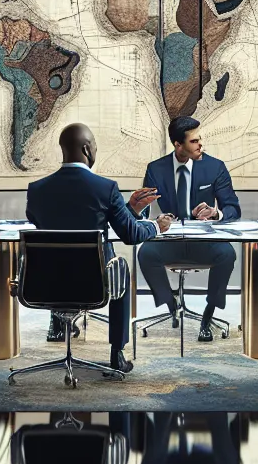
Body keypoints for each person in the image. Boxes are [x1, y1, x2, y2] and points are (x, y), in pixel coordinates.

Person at [25, 123, 174, 372]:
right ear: (86, 149)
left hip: (45, 284)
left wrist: (131, 209)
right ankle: (117, 353)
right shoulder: (106, 188)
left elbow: (59, 223)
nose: (95, 151)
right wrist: (157, 226)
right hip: (94, 285)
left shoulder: (37, 190)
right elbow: (131, 233)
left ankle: (59, 323)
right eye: (94, 146)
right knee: (121, 269)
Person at [137, 116, 240, 342]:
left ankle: (209, 314)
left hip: (203, 240)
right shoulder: (156, 169)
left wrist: (216, 214)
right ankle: (170, 305)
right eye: (194, 141)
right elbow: (142, 209)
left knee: (227, 254)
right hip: (171, 239)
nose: (200, 144)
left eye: (199, 139)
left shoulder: (215, 167)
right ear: (178, 145)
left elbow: (233, 208)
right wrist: (150, 219)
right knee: (145, 253)